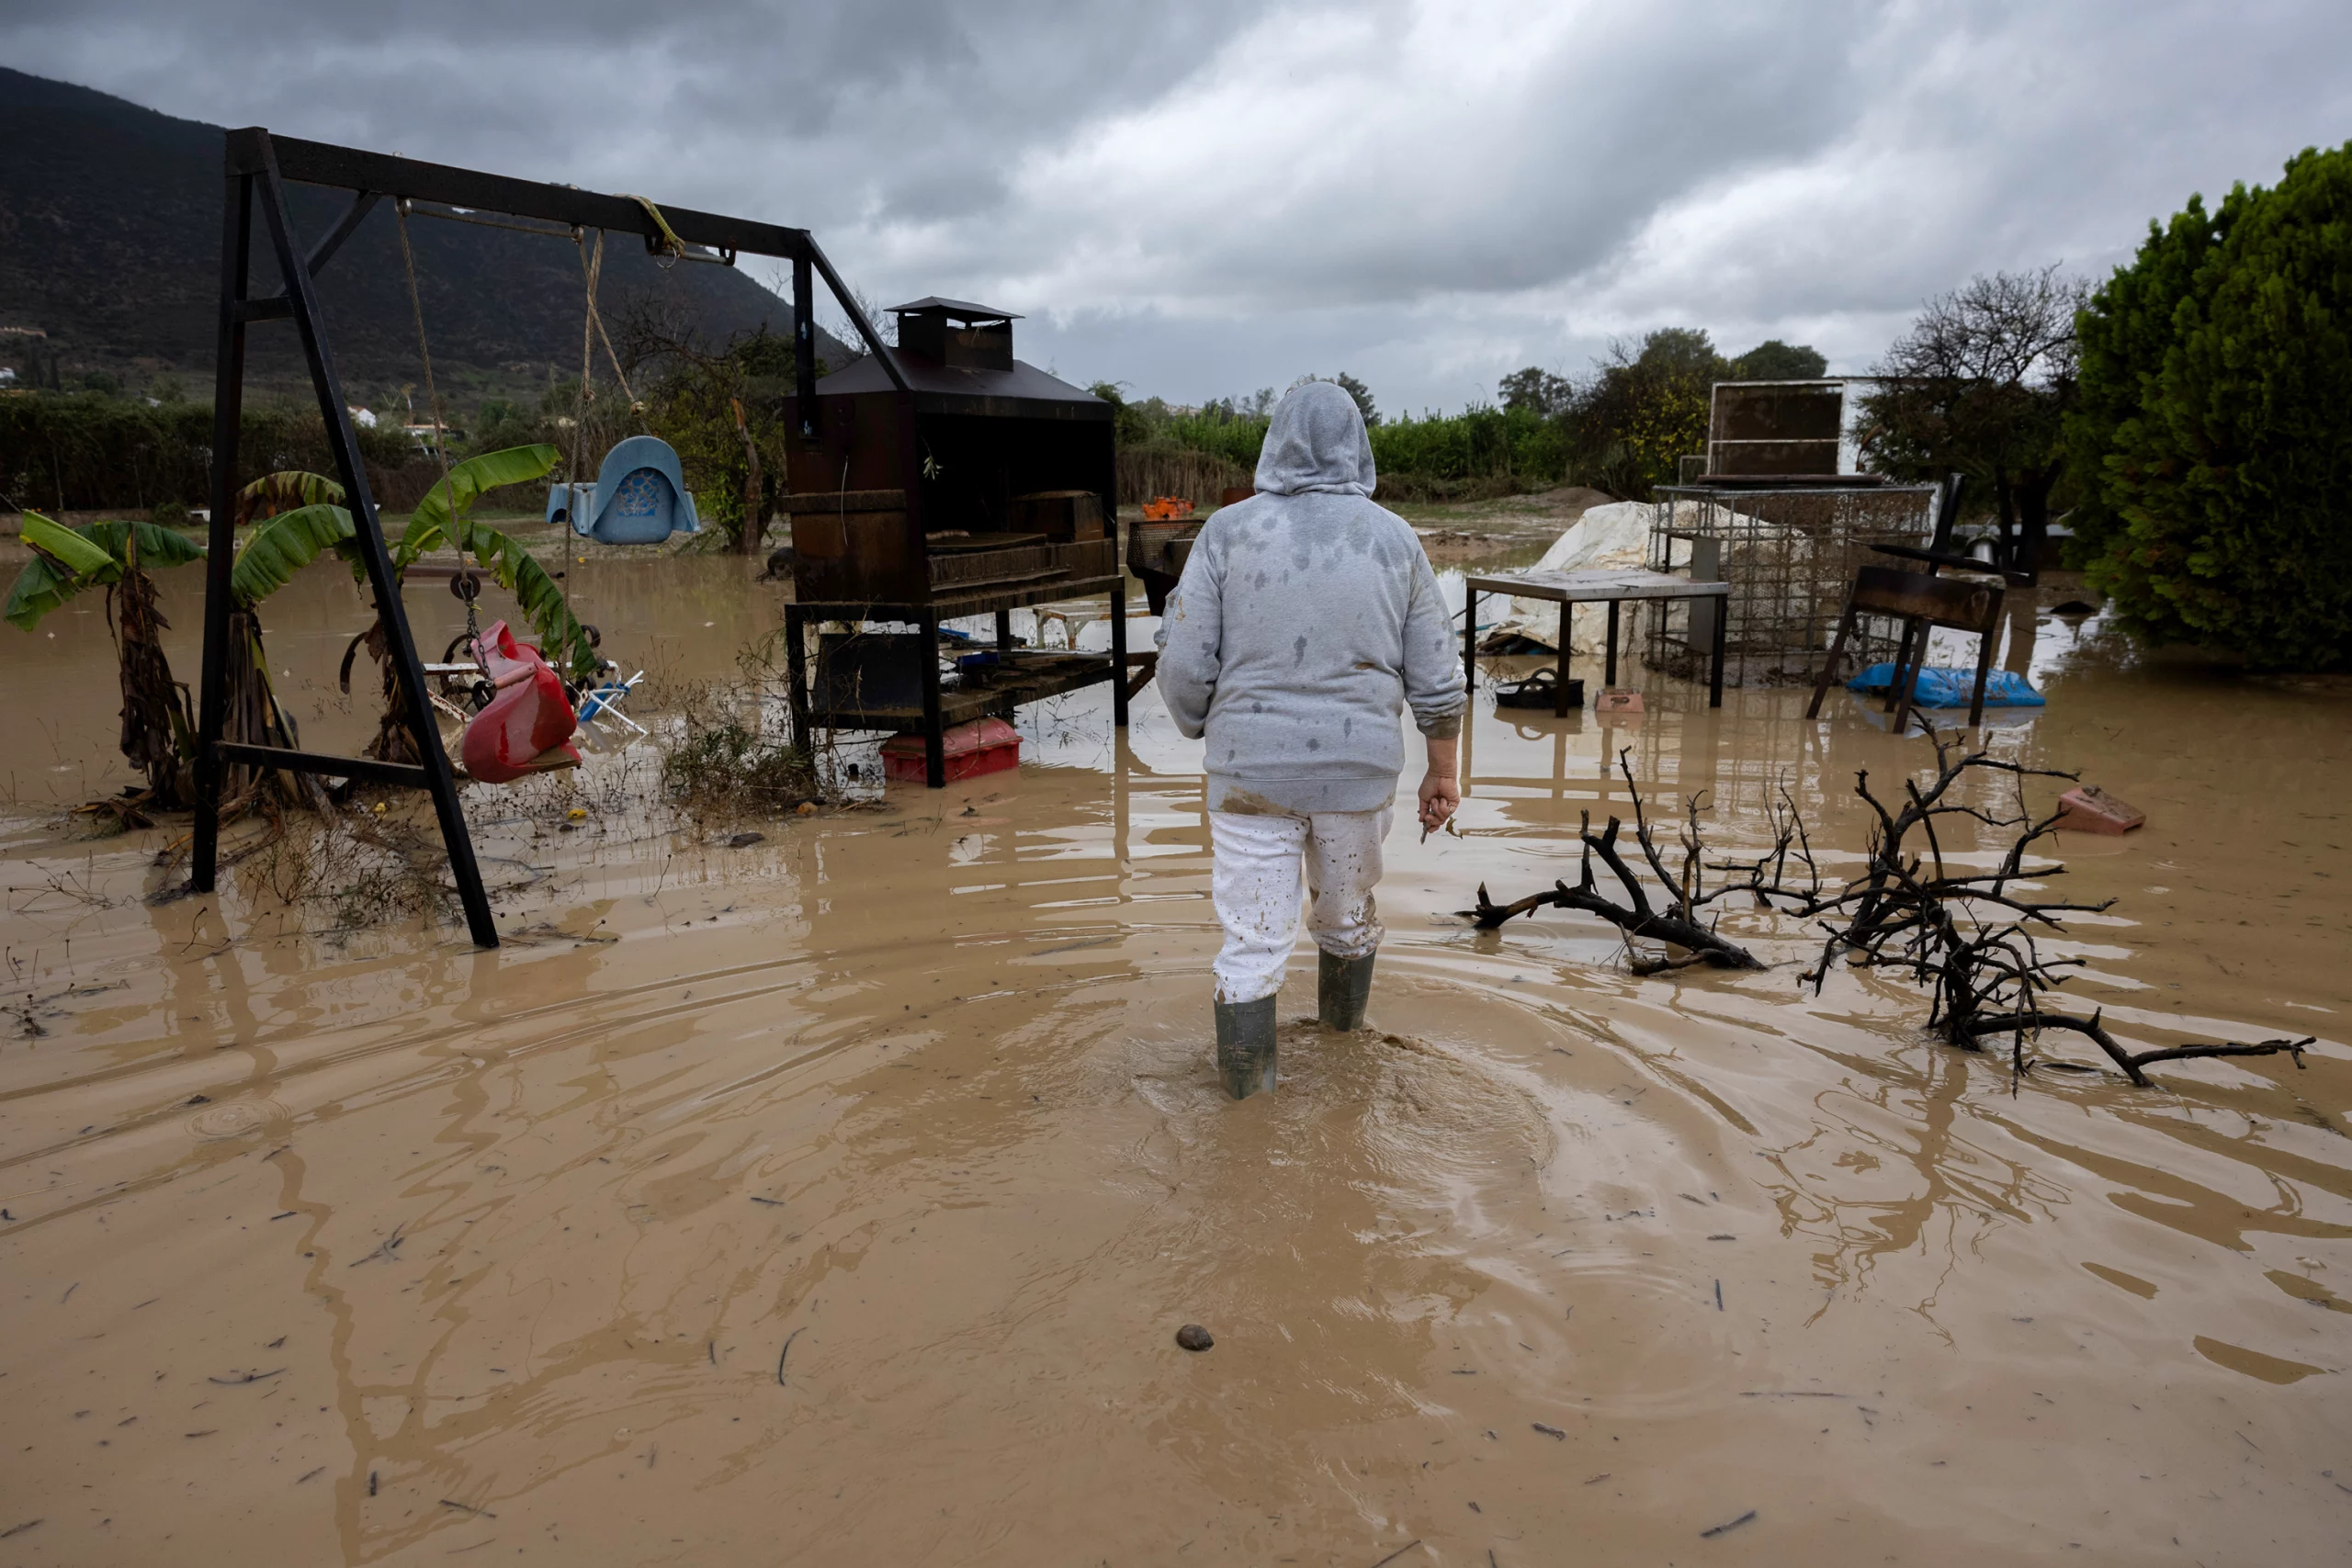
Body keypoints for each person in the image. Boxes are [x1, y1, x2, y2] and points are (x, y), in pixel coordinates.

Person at [1155, 380, 1467, 1100]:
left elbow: (1182, 665)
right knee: (1347, 918)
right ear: (1359, 448)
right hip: (1358, 777)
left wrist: (1204, 725)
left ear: (1275, 445)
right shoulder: (1396, 540)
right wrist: (1442, 772)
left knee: (1252, 946)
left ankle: (1247, 1114)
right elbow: (1437, 677)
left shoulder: (1226, 533)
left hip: (1248, 780)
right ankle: (1343, 1057)